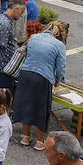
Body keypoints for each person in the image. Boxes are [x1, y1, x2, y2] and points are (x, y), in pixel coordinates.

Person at [14, 20, 68, 150]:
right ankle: (40, 141)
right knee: (40, 109)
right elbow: (61, 68)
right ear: (61, 34)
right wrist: (57, 80)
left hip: (26, 74)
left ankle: (26, 137)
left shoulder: (34, 37)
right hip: (42, 78)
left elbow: (23, 52)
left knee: (26, 104)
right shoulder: (59, 45)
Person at [0, 0, 27, 93]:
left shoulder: (0, 18)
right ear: (16, 9)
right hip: (2, 67)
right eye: (22, 12)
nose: (22, 15)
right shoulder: (5, 24)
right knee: (1, 97)